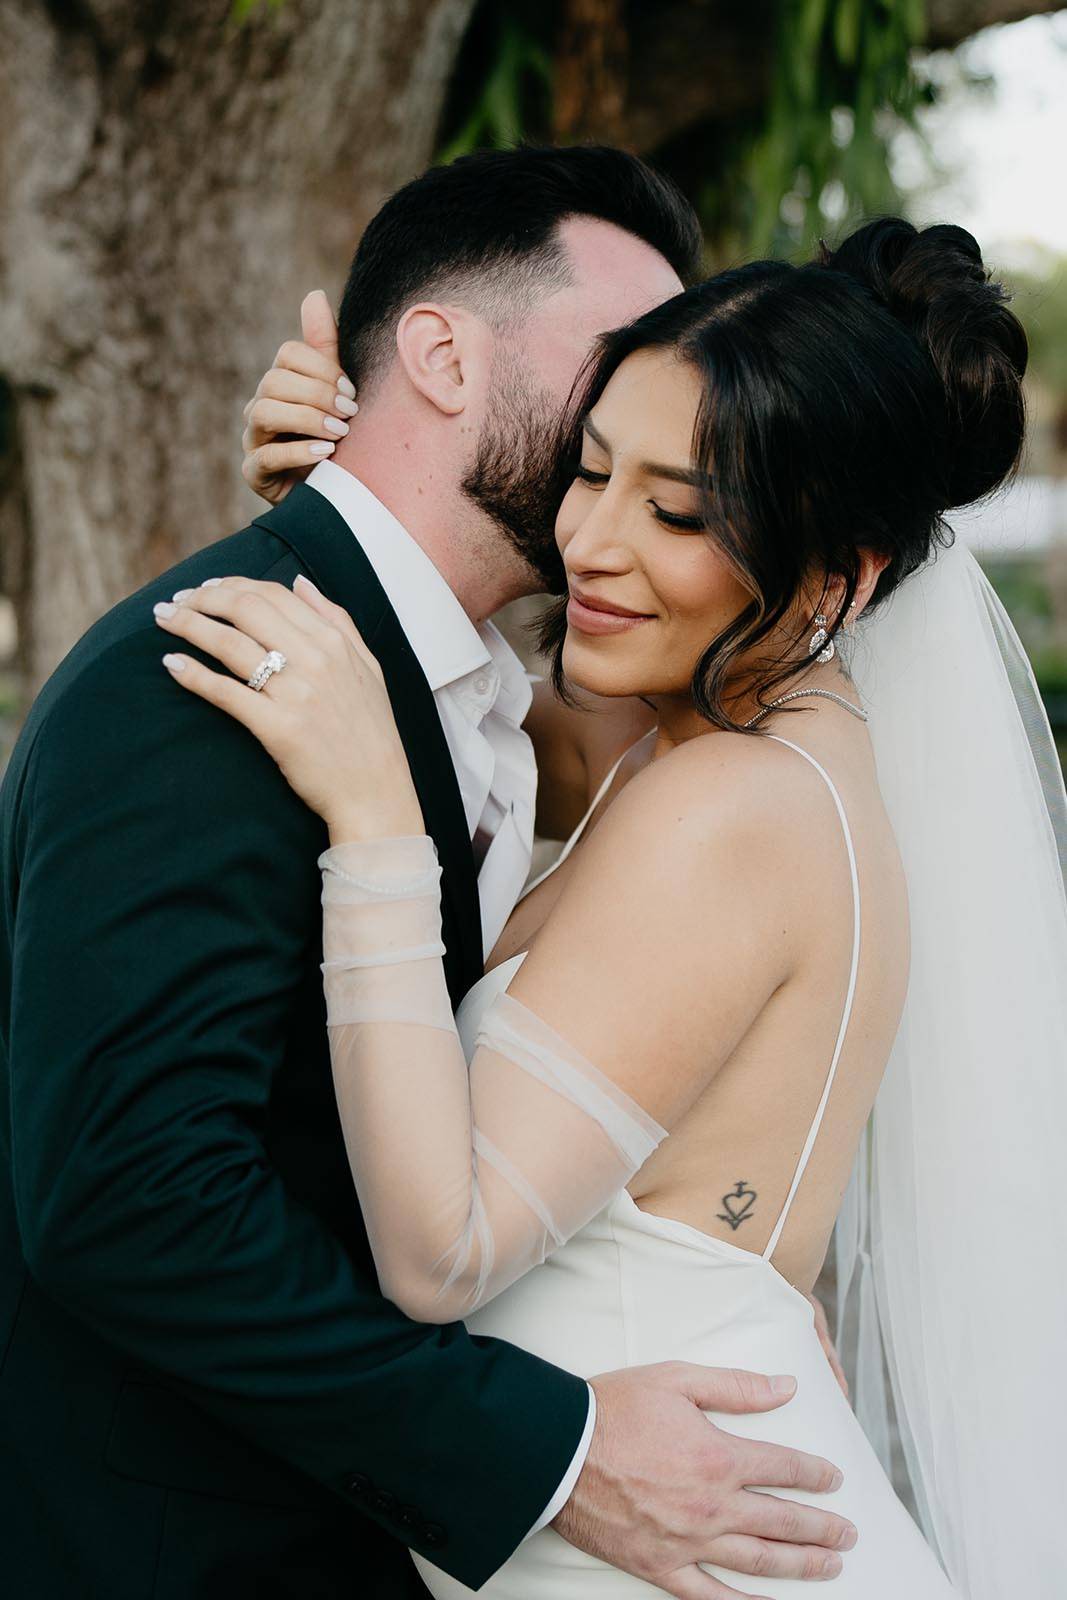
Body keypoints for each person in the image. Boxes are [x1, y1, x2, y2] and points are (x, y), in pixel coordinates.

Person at [164, 213, 1067, 1598]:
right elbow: (489, 701)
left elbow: (441, 1250)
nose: (587, 538)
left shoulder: (733, 815)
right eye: (591, 471)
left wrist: (374, 822)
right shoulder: (717, 747)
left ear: (839, 580)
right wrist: (353, 491)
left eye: (679, 511)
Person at [0, 147, 857, 1600]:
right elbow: (128, 1199)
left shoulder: (496, 693)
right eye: (619, 359)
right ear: (444, 357)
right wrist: (554, 1456)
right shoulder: (214, 675)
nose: (652, 402)